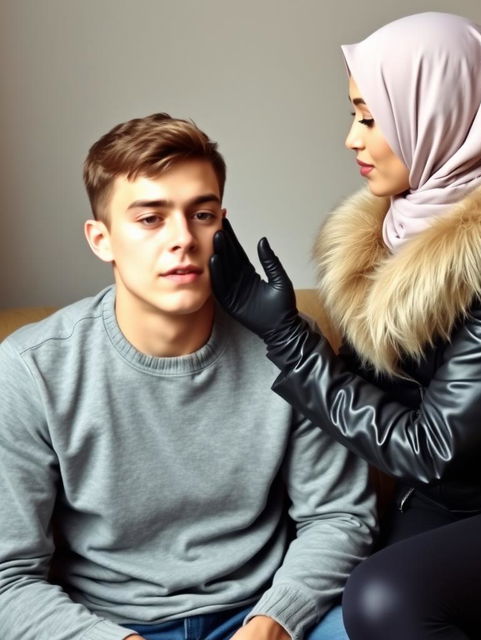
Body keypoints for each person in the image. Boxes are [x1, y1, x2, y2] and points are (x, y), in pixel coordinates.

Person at [209, 13, 481, 640]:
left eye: (369, 115)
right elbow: (361, 392)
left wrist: (291, 342)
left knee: (381, 599)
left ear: (439, 111)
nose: (351, 139)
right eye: (355, 114)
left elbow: (430, 445)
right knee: (346, 590)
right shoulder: (392, 229)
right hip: (444, 505)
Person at [0, 113, 377, 640]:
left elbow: (339, 517)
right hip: (109, 627)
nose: (182, 238)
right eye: (150, 219)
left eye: (201, 214)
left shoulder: (287, 341)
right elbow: (8, 578)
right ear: (101, 238)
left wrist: (272, 623)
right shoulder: (31, 368)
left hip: (265, 612)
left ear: (222, 223)